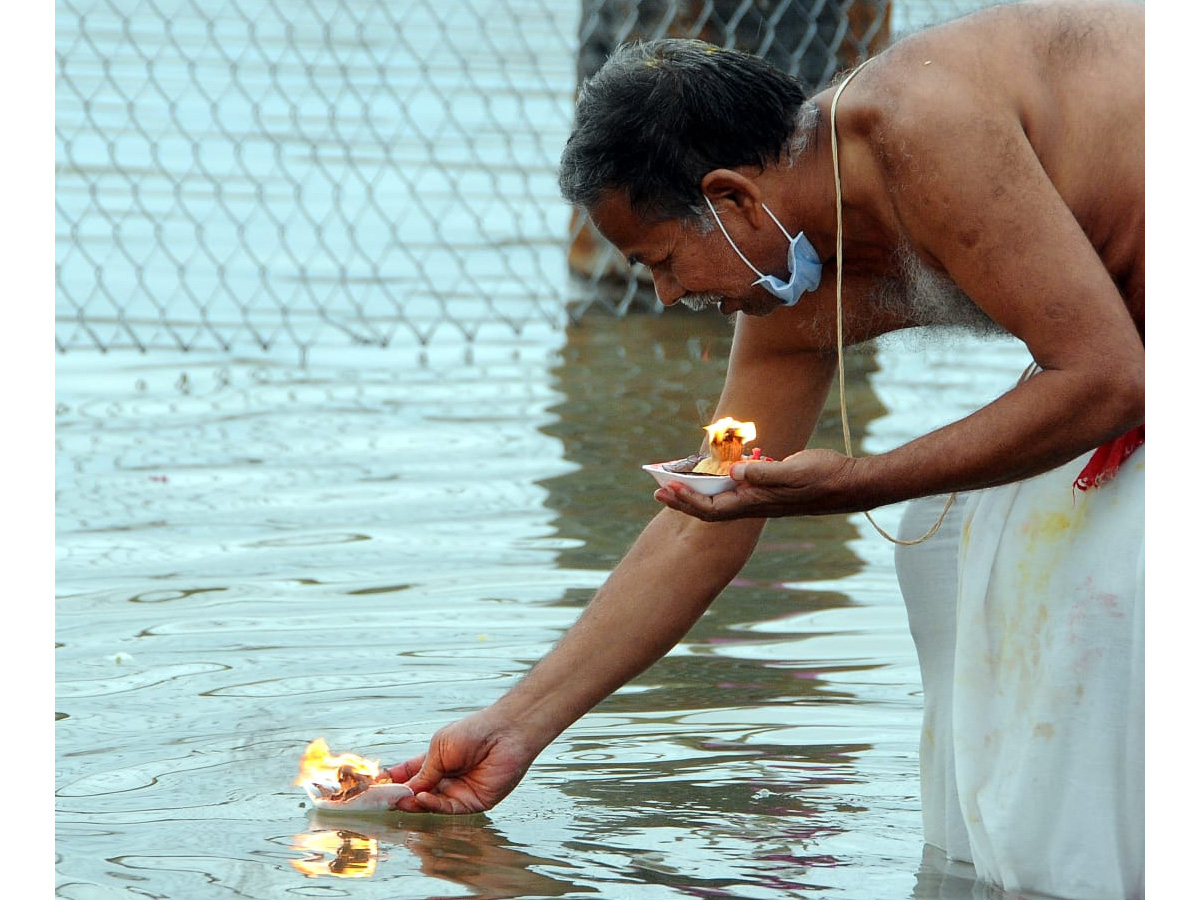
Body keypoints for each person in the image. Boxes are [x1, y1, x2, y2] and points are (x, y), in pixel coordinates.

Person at [385, 2, 1145, 898]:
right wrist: (516, 726)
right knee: (942, 555)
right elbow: (701, 519)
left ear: (732, 198)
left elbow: (1106, 380)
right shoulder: (793, 284)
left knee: (1097, 582)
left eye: (661, 260)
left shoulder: (917, 127)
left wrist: (852, 484)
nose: (667, 298)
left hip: (1132, 363)